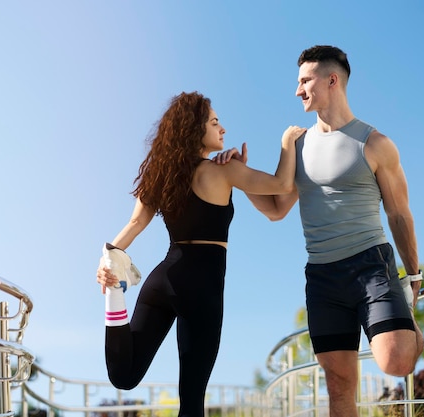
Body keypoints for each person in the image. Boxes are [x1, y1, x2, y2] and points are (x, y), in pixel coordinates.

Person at [214, 45, 424, 417]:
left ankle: (408, 328)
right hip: (322, 276)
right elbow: (278, 209)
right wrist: (239, 177)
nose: (298, 90)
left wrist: (414, 273)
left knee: (395, 361)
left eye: (305, 81)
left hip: (370, 265)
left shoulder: (374, 143)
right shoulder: (299, 144)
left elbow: (399, 213)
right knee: (339, 386)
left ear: (332, 80)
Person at [95, 91, 305, 417]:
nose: (222, 129)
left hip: (164, 277)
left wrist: (107, 258)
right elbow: (281, 185)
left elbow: (136, 223)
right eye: (215, 122)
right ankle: (115, 292)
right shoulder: (222, 171)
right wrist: (287, 142)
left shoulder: (163, 176)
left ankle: (114, 300)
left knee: (124, 375)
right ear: (196, 129)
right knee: (191, 400)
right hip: (201, 288)